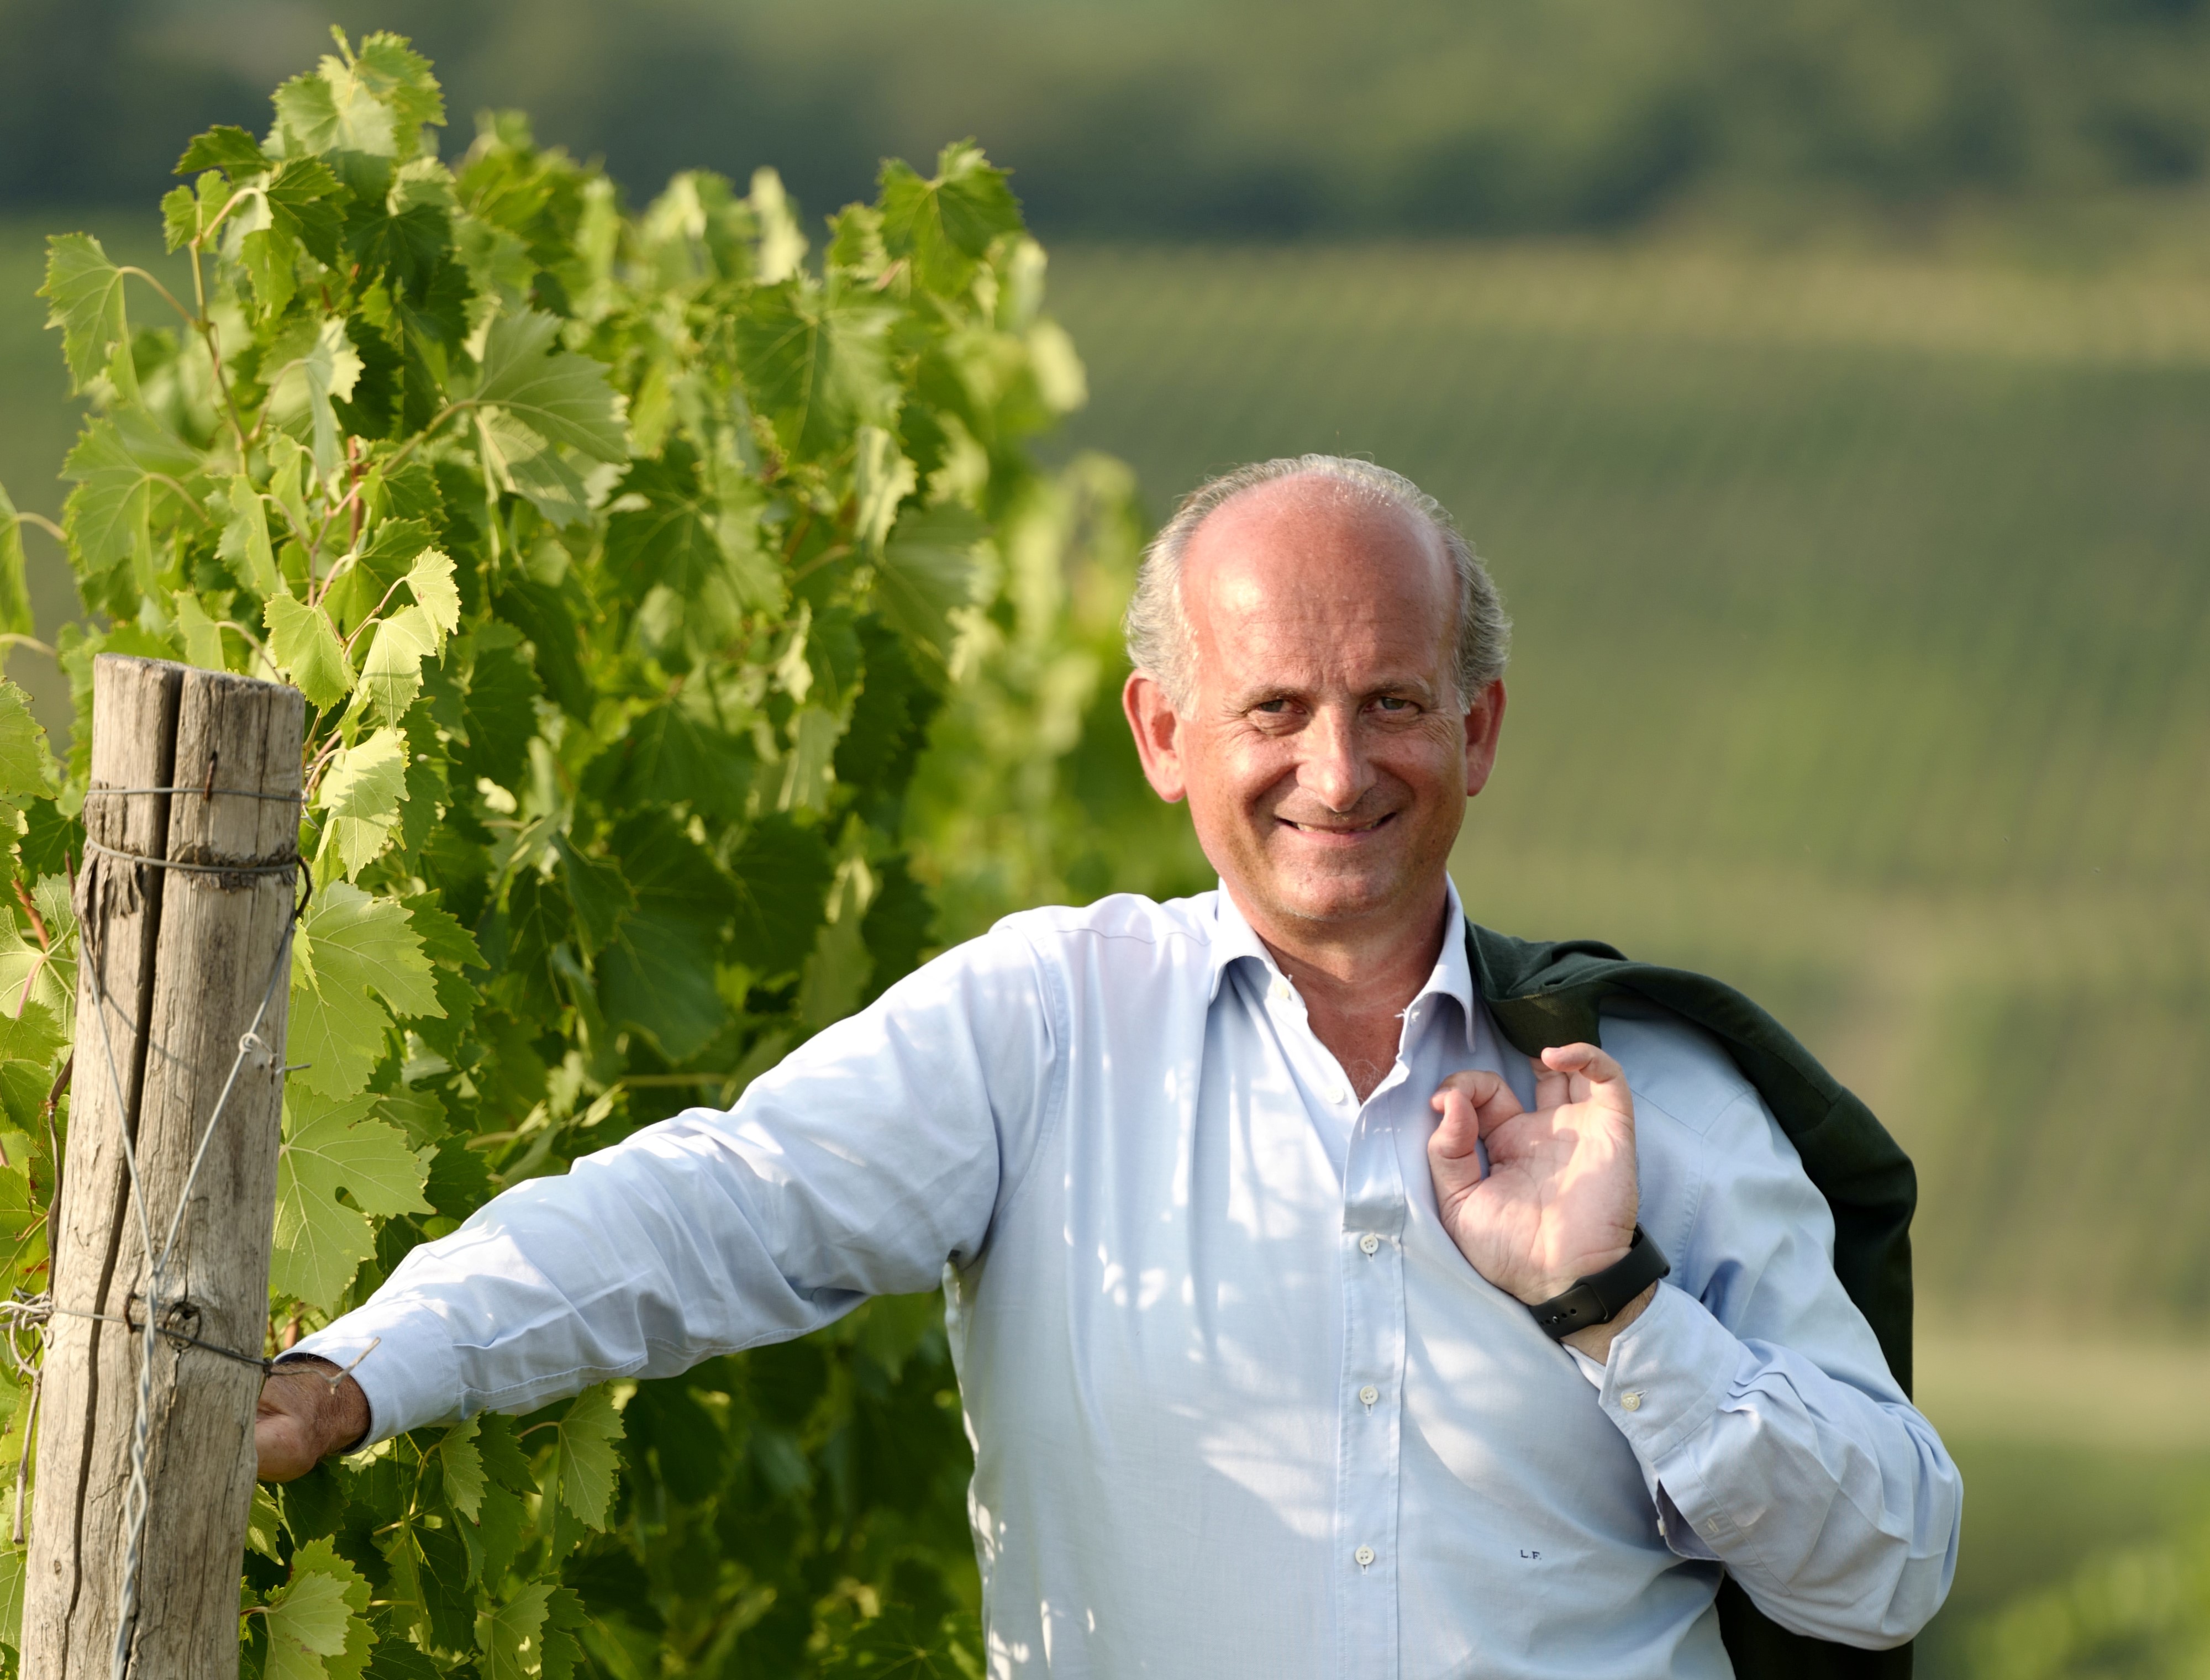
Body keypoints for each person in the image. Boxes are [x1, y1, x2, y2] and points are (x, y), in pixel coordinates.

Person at [259, 455, 1961, 1677]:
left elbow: (1887, 1570)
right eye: (1274, 708)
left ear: (1480, 730)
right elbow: (718, 1211)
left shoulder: (1645, 1087)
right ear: (1164, 736)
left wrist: (1619, 1309)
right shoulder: (1045, 1025)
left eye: (1392, 701)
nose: (1336, 766)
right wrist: (368, 1366)